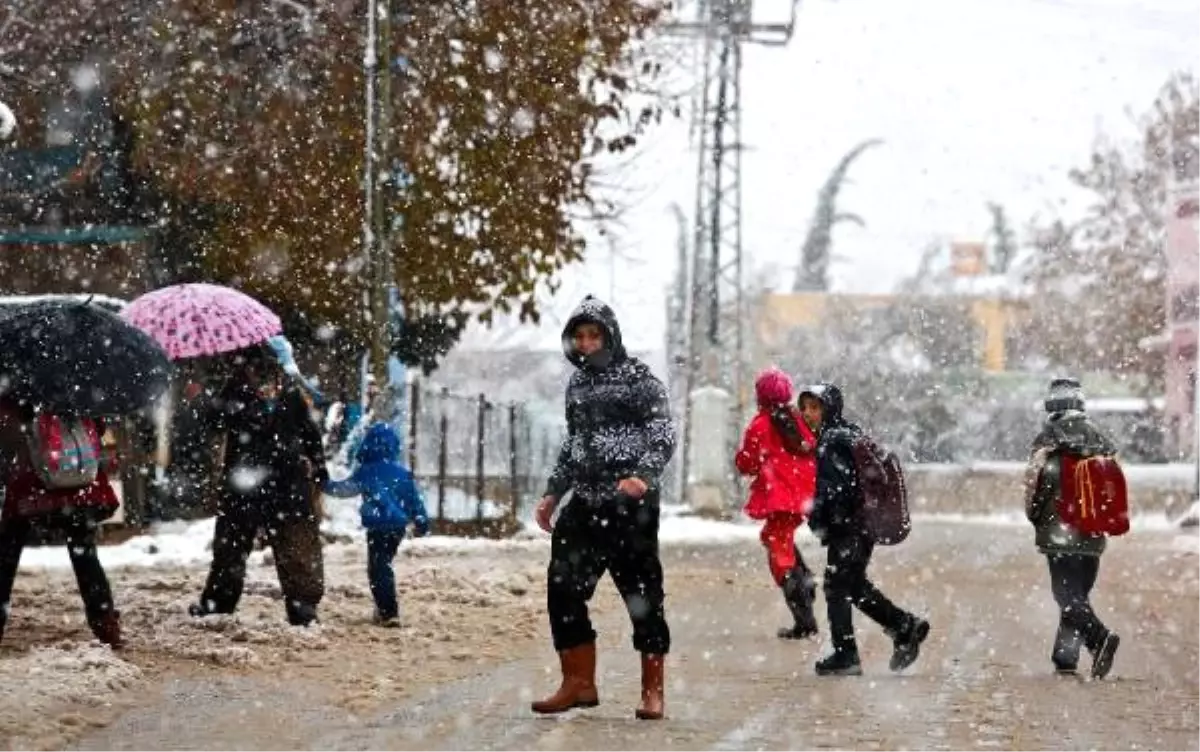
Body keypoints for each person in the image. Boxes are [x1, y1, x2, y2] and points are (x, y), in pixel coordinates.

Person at [531, 295, 676, 721]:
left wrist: (643, 476)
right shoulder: (576, 385)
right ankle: (578, 682)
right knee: (562, 587)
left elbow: (663, 433)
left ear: (610, 336)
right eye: (580, 336)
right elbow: (573, 444)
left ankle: (653, 691)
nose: (587, 342)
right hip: (585, 501)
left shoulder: (640, 380)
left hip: (630, 503)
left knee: (642, 594)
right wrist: (553, 492)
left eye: (594, 334)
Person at [189, 346, 329, 626]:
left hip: (247, 483)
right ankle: (303, 609)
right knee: (295, 547)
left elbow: (212, 423)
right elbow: (310, 433)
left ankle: (218, 604)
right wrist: (319, 467)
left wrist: (201, 400)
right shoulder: (289, 390)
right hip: (285, 482)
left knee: (232, 547)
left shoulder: (238, 389)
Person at [801, 383, 930, 676]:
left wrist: (820, 518)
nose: (809, 414)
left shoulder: (831, 441)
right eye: (805, 407)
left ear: (829, 408)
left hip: (848, 526)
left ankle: (846, 655)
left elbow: (835, 490)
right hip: (862, 525)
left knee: (836, 587)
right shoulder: (850, 433)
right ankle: (903, 626)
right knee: (854, 585)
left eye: (815, 407)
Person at [0, 400, 123, 647]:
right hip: (75, 475)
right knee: (84, 551)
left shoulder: (17, 376)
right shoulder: (75, 378)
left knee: (7, 551)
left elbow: (6, 428)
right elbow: (97, 426)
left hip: (30, 476)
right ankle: (105, 624)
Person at [1023, 377, 1121, 678]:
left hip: (1059, 533)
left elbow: (1034, 487)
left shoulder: (1047, 441)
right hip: (1092, 531)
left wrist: (1036, 515)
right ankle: (1065, 656)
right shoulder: (1101, 441)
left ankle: (1099, 638)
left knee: (1067, 597)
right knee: (1077, 595)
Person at [734, 366, 819, 639]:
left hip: (780, 495)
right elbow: (809, 446)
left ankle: (804, 612)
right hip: (802, 493)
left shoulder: (760, 425)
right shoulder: (796, 420)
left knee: (777, 546)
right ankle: (803, 579)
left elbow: (747, 462)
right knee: (778, 537)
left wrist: (745, 462)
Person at [324, 421, 430, 627]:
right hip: (397, 528)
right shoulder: (401, 473)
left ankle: (388, 612)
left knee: (378, 569)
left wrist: (323, 484)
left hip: (378, 528)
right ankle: (384, 607)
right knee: (384, 565)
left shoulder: (367, 470)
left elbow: (344, 490)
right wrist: (421, 520)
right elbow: (414, 500)